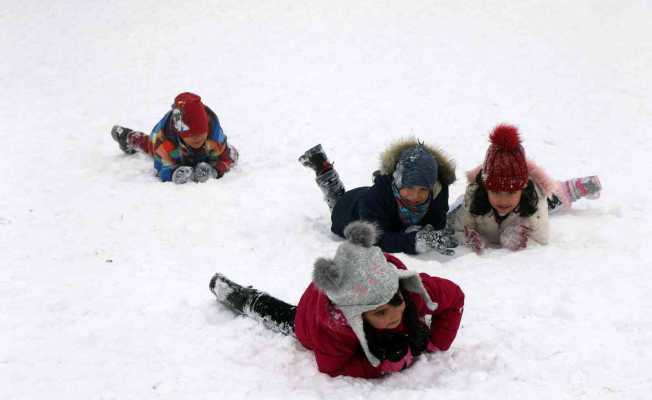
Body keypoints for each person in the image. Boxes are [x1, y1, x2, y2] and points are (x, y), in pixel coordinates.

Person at [209, 221, 465, 378]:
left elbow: (455, 299)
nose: (394, 316)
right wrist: (379, 366)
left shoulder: (410, 289)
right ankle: (242, 298)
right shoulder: (334, 329)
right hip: (311, 317)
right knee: (288, 318)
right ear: (357, 316)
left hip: (350, 285)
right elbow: (332, 367)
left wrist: (436, 342)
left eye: (395, 303)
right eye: (379, 313)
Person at [449, 124, 602, 253]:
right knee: (459, 206)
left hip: (529, 203)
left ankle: (570, 189)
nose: (503, 200)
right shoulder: (474, 197)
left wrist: (521, 240)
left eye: (511, 192)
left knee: (552, 199)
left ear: (522, 188)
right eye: (495, 191)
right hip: (486, 203)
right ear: (485, 188)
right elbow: (459, 230)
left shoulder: (534, 201)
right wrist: (472, 239)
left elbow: (541, 238)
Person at [298, 139, 458, 255]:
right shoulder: (374, 199)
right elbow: (375, 239)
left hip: (376, 205)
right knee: (337, 200)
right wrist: (414, 241)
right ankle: (324, 170)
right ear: (397, 182)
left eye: (423, 189)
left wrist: (432, 232)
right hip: (349, 211)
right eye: (409, 187)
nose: (415, 196)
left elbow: (437, 222)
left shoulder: (438, 190)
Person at [111, 92, 238, 183]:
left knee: (218, 149)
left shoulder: (214, 136)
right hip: (167, 144)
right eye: (191, 135)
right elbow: (160, 168)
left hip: (201, 150)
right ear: (180, 133)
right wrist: (174, 173)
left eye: (201, 133)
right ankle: (127, 137)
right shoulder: (165, 143)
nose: (197, 138)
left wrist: (214, 170)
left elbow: (229, 157)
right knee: (149, 145)